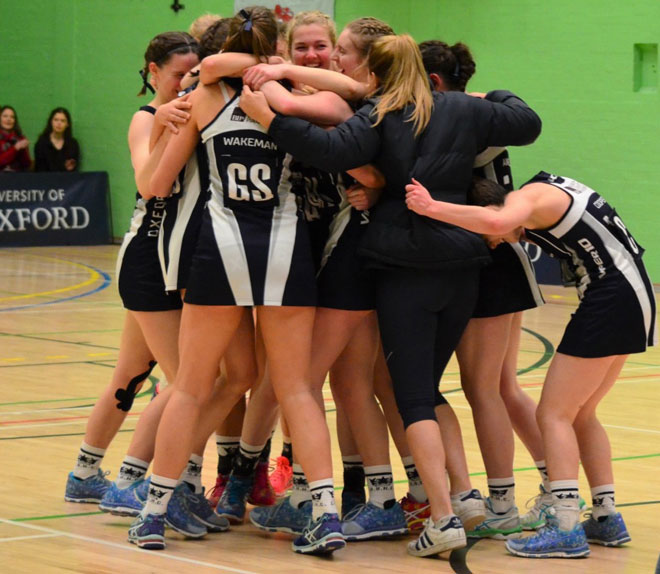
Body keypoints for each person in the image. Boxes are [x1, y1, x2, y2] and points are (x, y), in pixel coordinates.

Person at [239, 33, 542, 557]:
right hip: (464, 265)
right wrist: (492, 97)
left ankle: (442, 516)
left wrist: (271, 119)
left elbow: (328, 148)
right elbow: (527, 122)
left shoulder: (380, 114)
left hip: (406, 266)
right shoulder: (459, 110)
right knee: (431, 387)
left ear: (375, 78)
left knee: (413, 397)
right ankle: (465, 496)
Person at [130, 7, 345, 556]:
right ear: (276, 49)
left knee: (192, 386)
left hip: (220, 251)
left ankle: (154, 511)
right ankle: (325, 512)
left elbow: (155, 186)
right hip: (284, 250)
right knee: (297, 388)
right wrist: (277, 73)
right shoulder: (289, 94)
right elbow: (345, 99)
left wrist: (162, 126)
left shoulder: (203, 98)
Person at [405, 172, 656, 558]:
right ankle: (606, 517)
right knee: (581, 413)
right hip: (633, 294)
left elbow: (498, 221)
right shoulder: (548, 196)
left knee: (553, 414)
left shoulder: (529, 197)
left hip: (612, 295)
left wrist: (431, 207)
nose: (498, 240)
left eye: (491, 238)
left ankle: (565, 526)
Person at [64, 32, 201, 538]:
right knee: (189, 378)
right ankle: (132, 479)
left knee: (130, 374)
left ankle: (84, 472)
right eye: (176, 75)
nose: (184, 84)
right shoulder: (147, 116)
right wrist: (166, 126)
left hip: (170, 257)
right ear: (151, 72)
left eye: (193, 75)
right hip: (148, 255)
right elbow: (148, 177)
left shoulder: (197, 113)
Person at [420, 39, 546, 539]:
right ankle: (559, 486)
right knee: (502, 388)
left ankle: (501, 501)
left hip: (489, 261)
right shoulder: (486, 114)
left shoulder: (460, 121)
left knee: (484, 389)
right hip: (507, 261)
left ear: (432, 83)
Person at [34, 107, 80, 171]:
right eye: (56, 120)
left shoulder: (73, 144)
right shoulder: (41, 143)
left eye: (63, 121)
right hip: (46, 179)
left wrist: (71, 168)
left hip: (66, 179)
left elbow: (74, 169)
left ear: (67, 124)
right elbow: (40, 169)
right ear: (51, 122)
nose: (59, 123)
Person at [0, 105, 31, 171]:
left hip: (18, 177)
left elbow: (26, 164)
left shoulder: (20, 138)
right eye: (5, 116)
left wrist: (23, 149)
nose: (9, 119)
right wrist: (15, 149)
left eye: (12, 117)